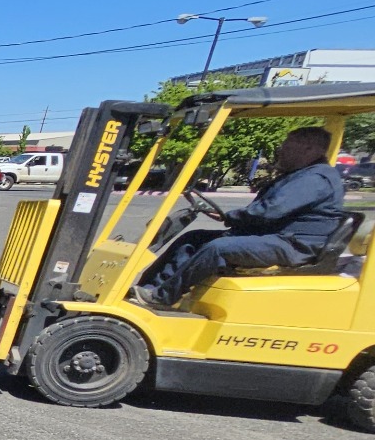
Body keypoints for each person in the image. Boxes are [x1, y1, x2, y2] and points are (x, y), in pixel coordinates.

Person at [135, 126, 347, 306]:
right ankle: (146, 288)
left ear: (309, 149)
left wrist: (231, 217)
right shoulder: (301, 175)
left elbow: (270, 211)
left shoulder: (316, 178)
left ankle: (162, 297)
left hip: (293, 245)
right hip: (277, 237)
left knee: (218, 248)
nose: (281, 150)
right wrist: (232, 219)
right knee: (194, 238)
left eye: (287, 146)